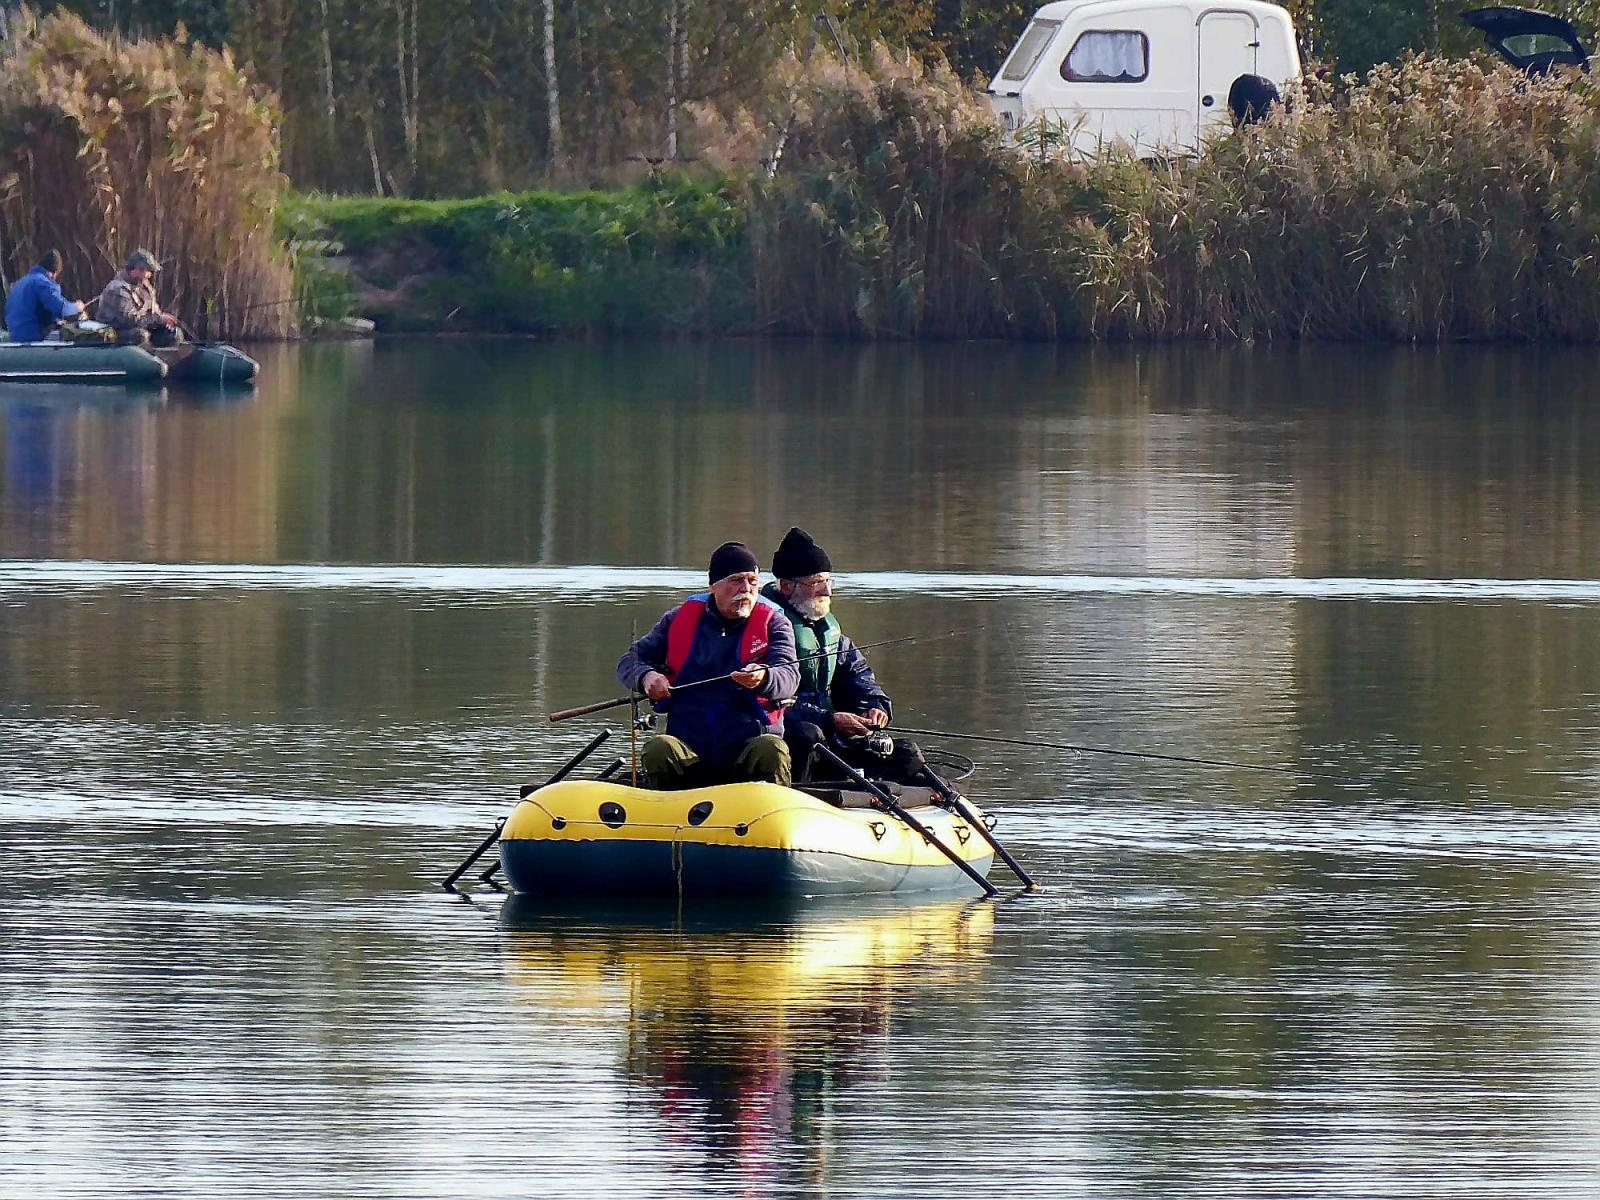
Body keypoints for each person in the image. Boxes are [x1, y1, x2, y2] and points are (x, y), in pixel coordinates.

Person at [618, 541, 800, 788]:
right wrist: (646, 677)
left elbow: (789, 676)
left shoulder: (775, 623)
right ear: (713, 585)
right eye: (736, 580)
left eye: (752, 581)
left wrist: (764, 677)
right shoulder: (677, 619)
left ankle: (771, 816)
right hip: (690, 749)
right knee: (659, 748)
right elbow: (630, 660)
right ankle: (667, 815)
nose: (746, 589)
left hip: (747, 750)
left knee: (772, 749)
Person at [760, 527, 928, 785]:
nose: (827, 591)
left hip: (835, 739)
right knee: (808, 735)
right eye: (816, 582)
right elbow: (768, 704)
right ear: (786, 586)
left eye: (829, 581)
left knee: (906, 754)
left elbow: (861, 677)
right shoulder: (763, 630)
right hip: (792, 738)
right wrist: (828, 719)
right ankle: (801, 796)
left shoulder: (833, 636)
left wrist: (876, 707)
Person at [96, 249, 181, 347]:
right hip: (115, 331)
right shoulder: (118, 289)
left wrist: (162, 322)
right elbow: (130, 320)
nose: (149, 275)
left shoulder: (145, 287)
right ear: (137, 269)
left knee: (173, 333)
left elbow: (153, 312)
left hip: (142, 326)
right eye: (148, 271)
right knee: (140, 335)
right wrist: (158, 319)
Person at [4, 250, 85, 343]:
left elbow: (29, 310)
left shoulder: (19, 284)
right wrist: (76, 307)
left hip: (14, 338)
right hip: (33, 338)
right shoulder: (42, 282)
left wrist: (54, 321)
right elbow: (60, 308)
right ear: (54, 272)